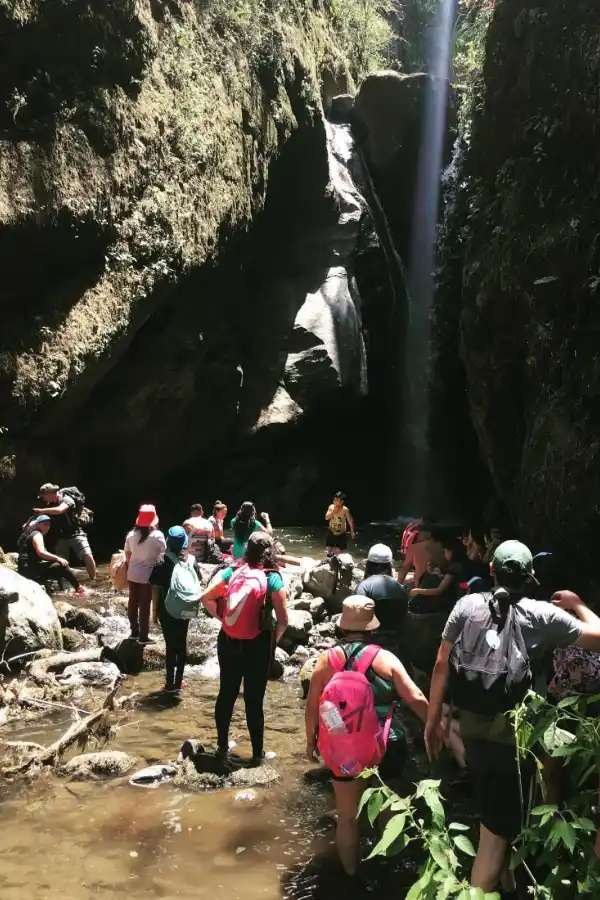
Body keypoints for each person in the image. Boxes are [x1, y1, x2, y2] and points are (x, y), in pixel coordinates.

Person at [425, 540, 600, 895]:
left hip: (473, 732)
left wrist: (433, 722)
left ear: (491, 571)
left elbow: (442, 664)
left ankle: (506, 885)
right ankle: (481, 889)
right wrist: (578, 604)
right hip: (513, 739)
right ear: (529, 579)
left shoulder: (466, 605)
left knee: (495, 813)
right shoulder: (542, 615)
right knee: (496, 832)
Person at [305, 596, 429, 876]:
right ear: (372, 628)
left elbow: (313, 705)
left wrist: (311, 741)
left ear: (342, 627)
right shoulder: (385, 658)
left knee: (347, 818)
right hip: (387, 744)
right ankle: (389, 870)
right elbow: (416, 697)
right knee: (388, 807)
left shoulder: (327, 660)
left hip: (344, 750)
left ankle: (352, 877)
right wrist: (435, 728)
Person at [200, 531, 288, 763]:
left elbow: (206, 598)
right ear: (269, 551)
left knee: (226, 693)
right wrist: (273, 641)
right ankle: (257, 754)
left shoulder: (232, 571)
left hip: (228, 640)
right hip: (258, 643)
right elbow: (283, 619)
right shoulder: (272, 578)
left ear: (247, 549)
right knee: (253, 699)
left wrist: (224, 621)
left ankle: (221, 747)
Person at [150, 526, 197, 692]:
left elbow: (155, 589)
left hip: (166, 609)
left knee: (170, 645)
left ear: (168, 543)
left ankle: (169, 684)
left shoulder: (161, 561)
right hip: (186, 608)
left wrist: (154, 612)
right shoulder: (190, 561)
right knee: (182, 643)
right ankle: (179, 682)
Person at [34, 483, 96, 579]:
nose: (43, 499)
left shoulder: (67, 499)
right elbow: (41, 517)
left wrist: (43, 510)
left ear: (51, 493)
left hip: (75, 533)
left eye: (44, 496)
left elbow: (61, 509)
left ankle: (93, 579)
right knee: (61, 562)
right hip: (60, 536)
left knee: (87, 555)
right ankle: (64, 585)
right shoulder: (49, 504)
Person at [125, 504, 166, 644]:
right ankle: (143, 637)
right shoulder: (157, 536)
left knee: (132, 602)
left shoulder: (130, 535)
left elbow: (128, 556)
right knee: (144, 605)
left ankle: (133, 632)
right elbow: (163, 554)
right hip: (147, 575)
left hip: (132, 573)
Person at [356, 544, 408, 651]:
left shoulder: (364, 586)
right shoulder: (400, 588)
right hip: (396, 642)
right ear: (390, 565)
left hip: (370, 643)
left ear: (368, 564)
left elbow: (357, 618)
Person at [17, 515, 85, 595]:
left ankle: (61, 590)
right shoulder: (37, 534)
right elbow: (41, 552)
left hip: (24, 570)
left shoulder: (26, 535)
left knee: (55, 564)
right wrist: (58, 559)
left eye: (49, 524)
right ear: (37, 524)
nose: (47, 527)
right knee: (61, 565)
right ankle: (79, 588)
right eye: (44, 524)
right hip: (32, 571)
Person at [409, 534, 466, 613]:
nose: (445, 554)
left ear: (452, 552)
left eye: (446, 551)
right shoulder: (458, 565)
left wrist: (418, 591)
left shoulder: (454, 567)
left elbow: (438, 590)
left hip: (454, 600)